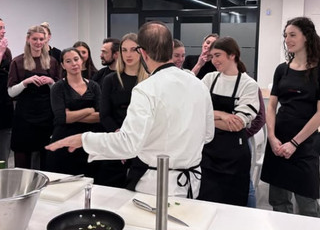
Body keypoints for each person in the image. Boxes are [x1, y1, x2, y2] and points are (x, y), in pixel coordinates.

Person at [46, 21, 215, 199]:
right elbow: (208, 134)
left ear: (142, 52)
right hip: (191, 184)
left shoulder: (146, 89)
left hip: (156, 185)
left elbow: (128, 144)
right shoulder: (199, 85)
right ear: (171, 47)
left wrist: (84, 139)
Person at [260, 17, 320, 217]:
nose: (287, 39)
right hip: (278, 141)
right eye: (285, 35)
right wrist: (271, 137)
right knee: (278, 202)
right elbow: (271, 106)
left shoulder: (318, 70)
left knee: (307, 203)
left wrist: (294, 143)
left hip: (304, 143)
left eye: (292, 35)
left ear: (307, 36)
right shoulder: (281, 69)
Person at [198, 37, 260, 206]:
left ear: (232, 55)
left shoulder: (248, 84)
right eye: (212, 56)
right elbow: (194, 110)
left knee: (232, 206)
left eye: (218, 55)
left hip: (234, 155)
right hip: (207, 152)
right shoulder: (209, 79)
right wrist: (223, 115)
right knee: (205, 202)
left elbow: (237, 124)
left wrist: (207, 116)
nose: (214, 60)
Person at [98, 33, 148, 187]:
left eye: (133, 49)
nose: (128, 54)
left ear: (142, 51)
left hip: (143, 144)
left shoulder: (150, 80)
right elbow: (104, 115)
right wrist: (120, 138)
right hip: (116, 140)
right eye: (124, 50)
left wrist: (133, 141)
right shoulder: (110, 80)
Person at [7, 25, 60, 169]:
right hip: (24, 116)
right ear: (28, 39)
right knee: (22, 158)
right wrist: (26, 82)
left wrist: (50, 82)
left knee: (46, 156)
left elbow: (58, 91)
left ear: (46, 40)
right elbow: (11, 92)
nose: (38, 42)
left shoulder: (53, 61)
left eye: (41, 39)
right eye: (34, 39)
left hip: (45, 115)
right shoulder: (17, 62)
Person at [45, 47, 102, 179]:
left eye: (76, 59)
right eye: (68, 61)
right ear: (63, 65)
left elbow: (100, 116)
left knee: (90, 183)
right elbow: (61, 117)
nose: (74, 64)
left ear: (82, 61)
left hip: (88, 142)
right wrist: (89, 110)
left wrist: (72, 115)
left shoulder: (94, 86)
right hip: (63, 142)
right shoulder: (57, 87)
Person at [0, 18, 13, 167]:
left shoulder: (7, 51)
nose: (3, 31)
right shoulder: (4, 50)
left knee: (3, 155)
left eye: (4, 28)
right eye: (0, 28)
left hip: (4, 106)